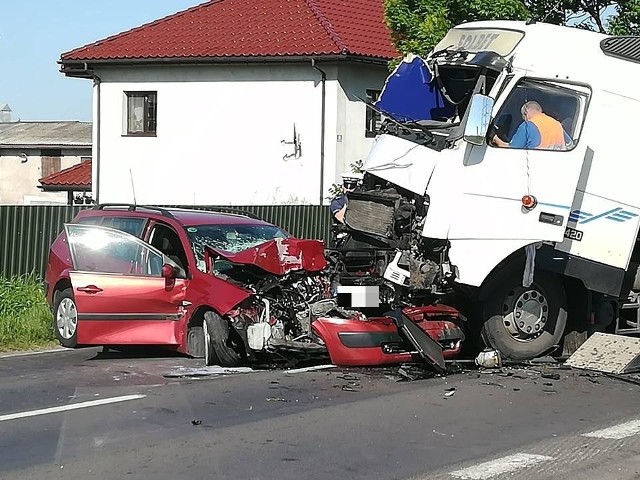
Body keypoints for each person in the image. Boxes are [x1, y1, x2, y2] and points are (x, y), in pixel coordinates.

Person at [492, 101, 572, 150]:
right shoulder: (556, 124)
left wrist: (495, 138)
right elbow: (569, 145)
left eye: (523, 117)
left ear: (525, 113)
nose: (524, 119)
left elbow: (510, 150)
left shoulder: (527, 126)